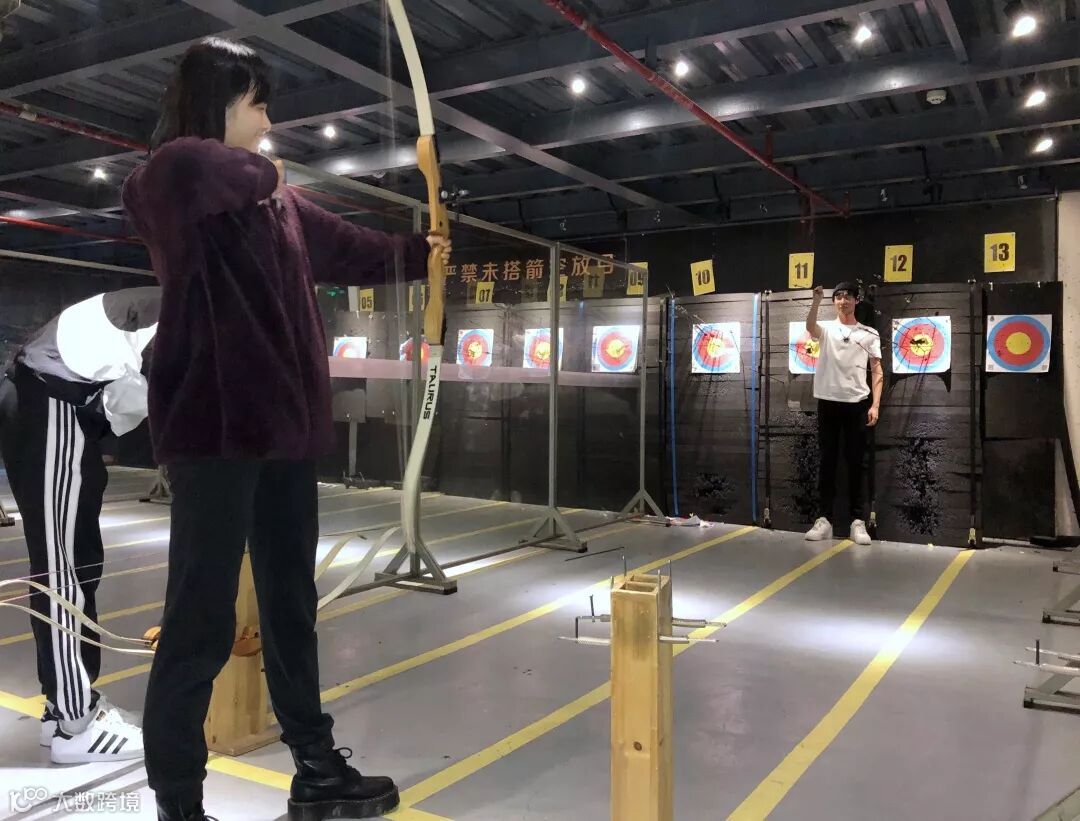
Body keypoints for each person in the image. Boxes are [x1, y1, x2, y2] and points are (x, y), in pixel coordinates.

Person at [121, 37, 451, 821]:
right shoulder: (172, 177)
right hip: (215, 428)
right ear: (218, 104)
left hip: (284, 433)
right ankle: (178, 801)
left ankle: (317, 767)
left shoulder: (280, 206)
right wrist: (265, 172)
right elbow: (202, 170)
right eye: (258, 105)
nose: (269, 124)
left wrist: (422, 252)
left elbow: (357, 251)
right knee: (200, 618)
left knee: (291, 605)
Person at [0, 286, 160, 763]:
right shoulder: (192, 313)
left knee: (79, 562)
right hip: (53, 403)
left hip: (65, 407)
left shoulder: (179, 307)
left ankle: (64, 708)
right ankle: (76, 725)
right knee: (62, 568)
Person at [803, 281, 883, 545]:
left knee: (856, 463)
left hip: (857, 403)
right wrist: (816, 300)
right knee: (827, 461)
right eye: (838, 297)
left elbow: (877, 370)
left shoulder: (869, 333)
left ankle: (857, 521)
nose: (842, 301)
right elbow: (810, 327)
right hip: (828, 402)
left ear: (856, 300)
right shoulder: (826, 329)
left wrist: (875, 405)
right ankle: (824, 519)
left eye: (847, 296)